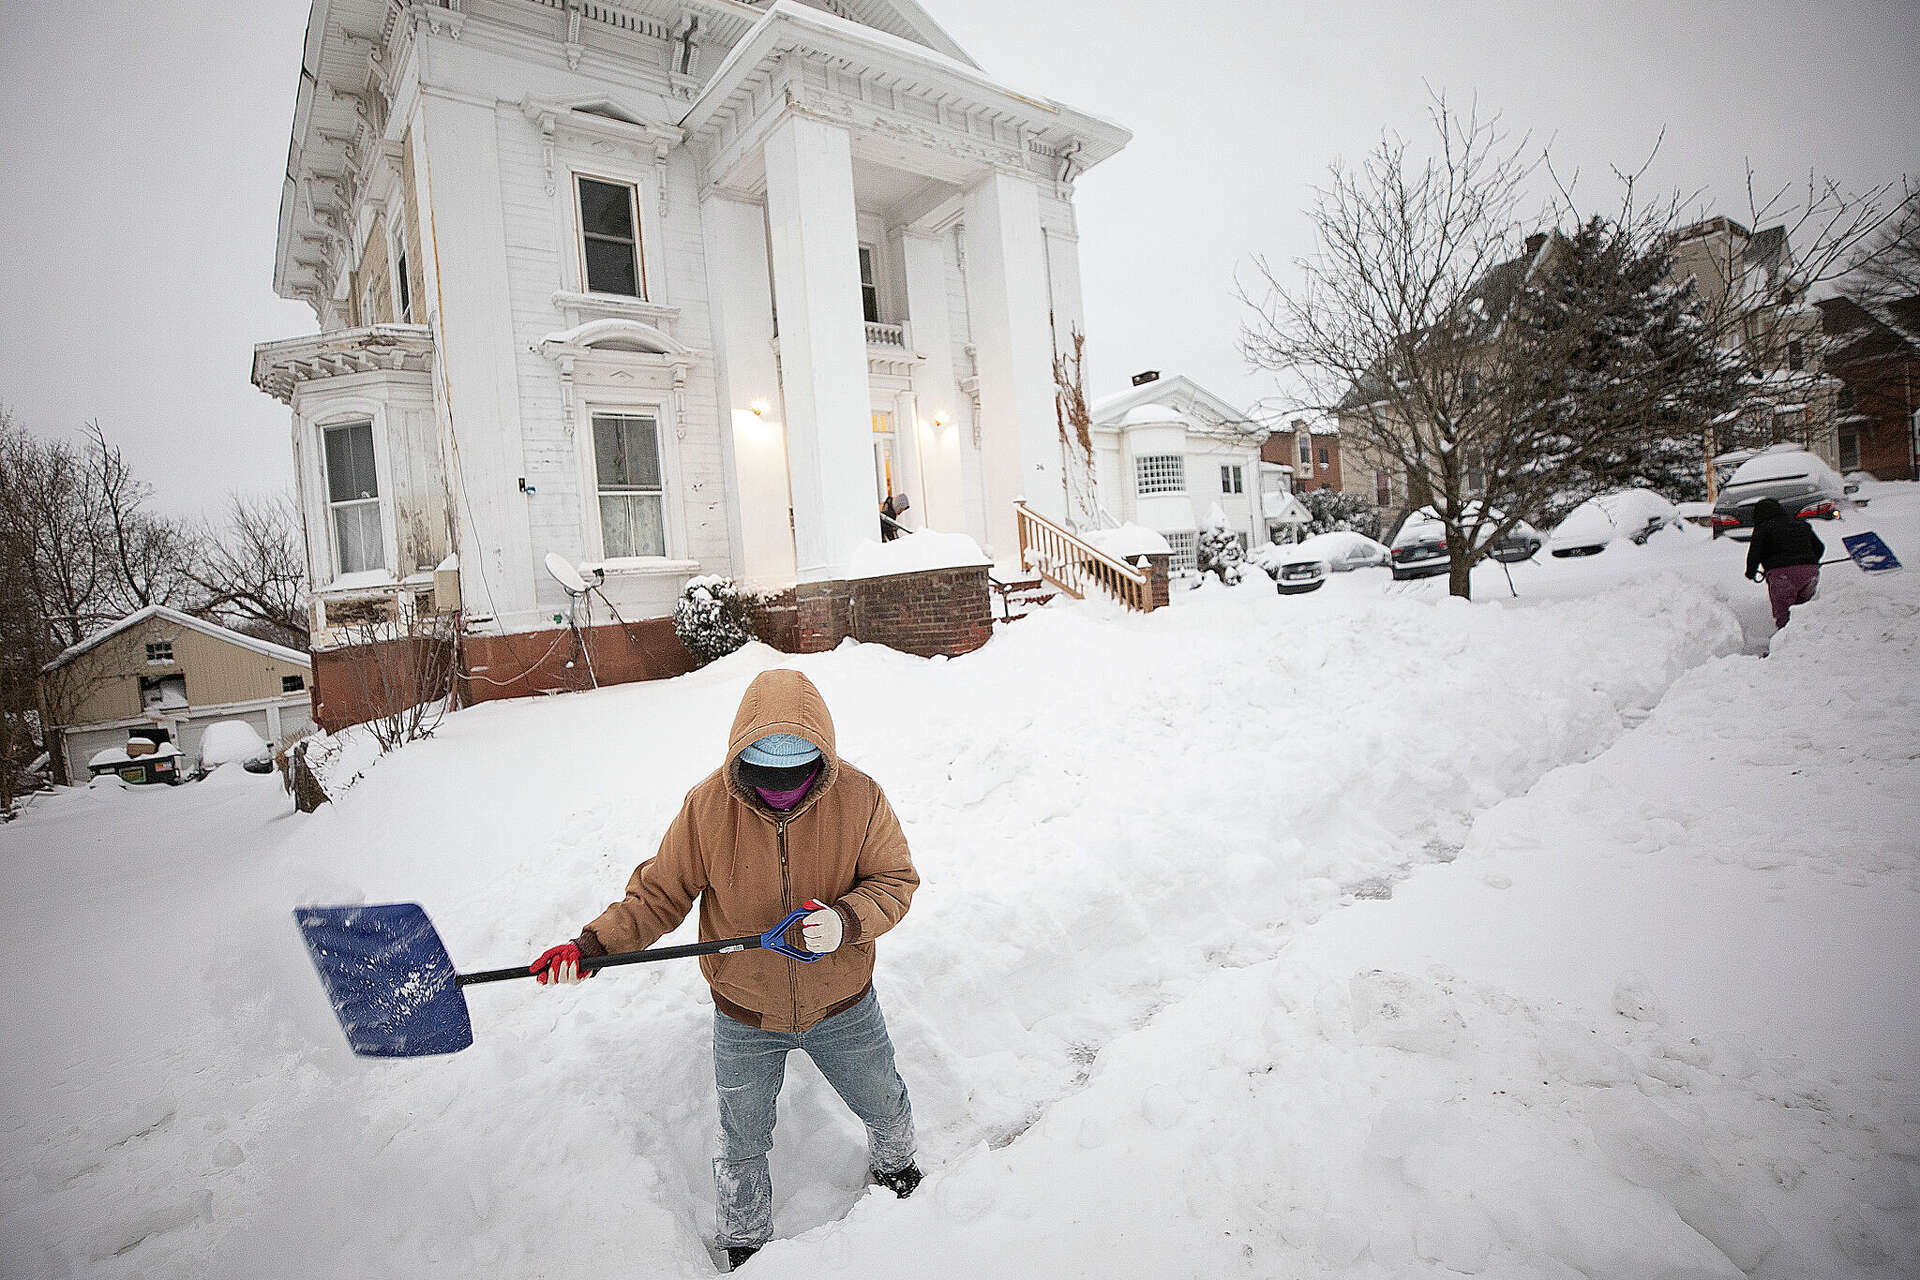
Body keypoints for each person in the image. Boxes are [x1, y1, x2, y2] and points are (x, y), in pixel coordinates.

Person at [531, 668, 921, 1271]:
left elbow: (896, 881)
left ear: (824, 756)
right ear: (742, 757)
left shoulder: (860, 799)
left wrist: (847, 920)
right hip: (744, 1012)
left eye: (798, 774)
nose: (782, 790)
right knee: (741, 1141)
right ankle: (744, 1239)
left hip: (842, 1002)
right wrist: (594, 946)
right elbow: (659, 895)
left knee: (883, 1099)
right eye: (767, 775)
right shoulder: (708, 808)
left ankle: (898, 1169)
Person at [1745, 496, 1826, 629]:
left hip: (1782, 575)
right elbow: (1820, 547)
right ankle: (1806, 639)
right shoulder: (1801, 524)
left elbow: (1755, 553)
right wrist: (1809, 563)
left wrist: (1750, 572)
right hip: (1810, 572)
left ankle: (1785, 645)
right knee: (1804, 611)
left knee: (1783, 612)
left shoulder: (1763, 528)